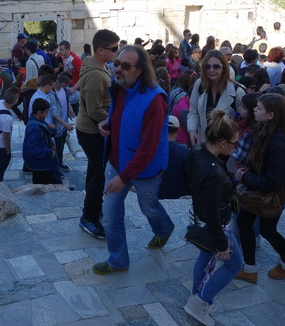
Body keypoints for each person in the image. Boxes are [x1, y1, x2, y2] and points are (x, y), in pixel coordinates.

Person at [92, 45, 174, 275]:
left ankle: (165, 228)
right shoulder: (118, 87)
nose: (118, 69)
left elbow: (148, 148)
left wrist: (124, 177)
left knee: (148, 208)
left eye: (125, 66)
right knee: (110, 216)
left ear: (140, 70)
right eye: (117, 63)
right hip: (117, 162)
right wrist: (108, 123)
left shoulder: (155, 100)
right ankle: (118, 260)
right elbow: (123, 114)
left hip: (144, 169)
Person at [234, 94, 285, 284]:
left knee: (268, 230)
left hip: (271, 195)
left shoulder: (278, 143)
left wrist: (246, 176)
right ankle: (249, 268)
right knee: (244, 223)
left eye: (259, 108)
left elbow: (273, 180)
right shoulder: (262, 130)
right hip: (257, 191)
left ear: (271, 115)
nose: (255, 110)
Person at [183, 109, 242, 326]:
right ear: (223, 143)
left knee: (205, 257)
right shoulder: (214, 173)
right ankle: (200, 301)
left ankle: (196, 297)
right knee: (234, 264)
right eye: (234, 144)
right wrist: (222, 244)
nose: (235, 148)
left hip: (200, 218)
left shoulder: (197, 152)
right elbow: (214, 214)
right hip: (215, 225)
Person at [75, 29, 120, 240]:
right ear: (101, 50)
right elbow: (94, 110)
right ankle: (89, 217)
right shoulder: (94, 74)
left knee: (94, 171)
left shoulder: (95, 66)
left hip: (90, 129)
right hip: (93, 131)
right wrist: (115, 120)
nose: (116, 52)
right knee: (99, 175)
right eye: (114, 49)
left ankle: (92, 208)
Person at [186, 50, 246, 147]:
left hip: (226, 149)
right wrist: (192, 130)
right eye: (208, 66)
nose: (211, 70)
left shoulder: (237, 92)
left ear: (224, 68)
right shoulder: (199, 85)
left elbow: (243, 122)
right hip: (203, 144)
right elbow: (193, 111)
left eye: (216, 66)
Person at [22, 97, 62, 185]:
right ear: (39, 112)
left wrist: (53, 130)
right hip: (39, 164)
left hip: (39, 162)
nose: (47, 114)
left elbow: (47, 132)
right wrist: (50, 152)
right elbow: (32, 149)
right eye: (46, 112)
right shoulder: (35, 129)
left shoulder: (39, 120)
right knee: (47, 184)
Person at [0, 86, 20, 184]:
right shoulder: (7, 118)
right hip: (1, 147)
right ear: (15, 101)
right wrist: (8, 150)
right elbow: (6, 137)